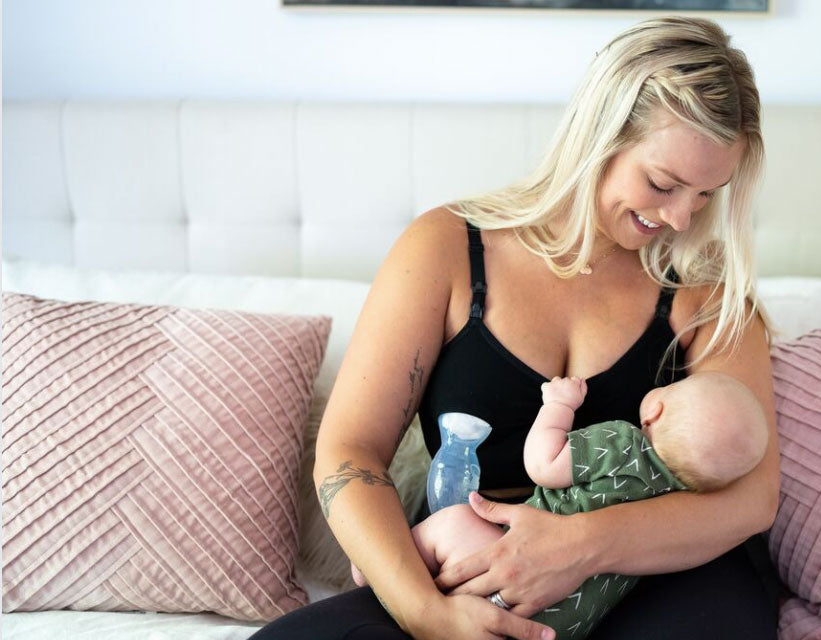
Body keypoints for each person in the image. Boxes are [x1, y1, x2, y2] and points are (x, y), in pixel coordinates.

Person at [252, 14, 781, 640]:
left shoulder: (708, 296)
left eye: (704, 196)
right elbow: (349, 451)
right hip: (469, 571)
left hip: (658, 580)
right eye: (662, 183)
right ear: (600, 136)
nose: (678, 216)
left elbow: (751, 499)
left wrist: (581, 545)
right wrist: (428, 614)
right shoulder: (447, 249)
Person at [350, 372, 770, 639]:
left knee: (453, 520)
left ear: (656, 406)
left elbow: (543, 464)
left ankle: (384, 562)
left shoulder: (625, 445)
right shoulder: (681, 501)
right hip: (570, 621)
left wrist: (558, 407)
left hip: (512, 569)